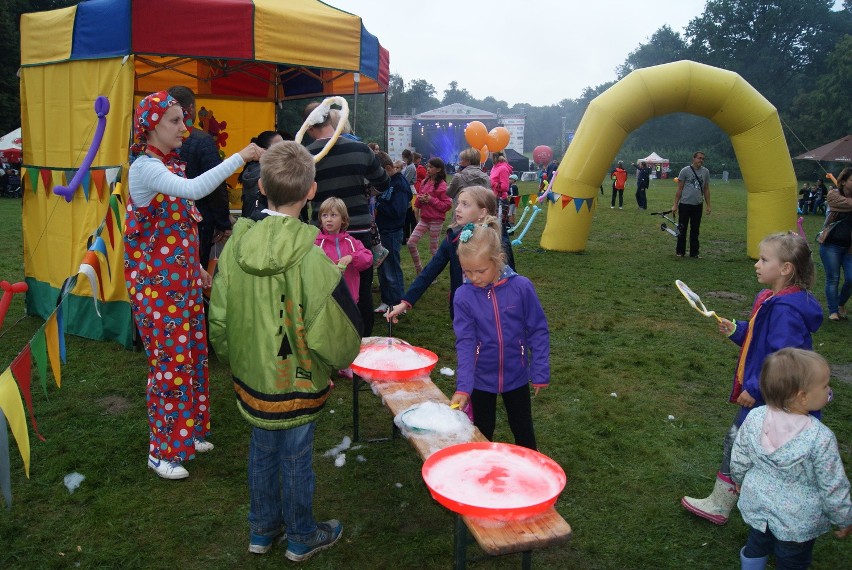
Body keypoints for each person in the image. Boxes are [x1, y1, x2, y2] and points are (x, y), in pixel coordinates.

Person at [208, 141, 362, 561]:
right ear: (311, 191)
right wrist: (337, 362)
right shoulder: (314, 262)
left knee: (262, 451)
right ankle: (300, 534)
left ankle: (261, 530)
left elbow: (218, 317)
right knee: (295, 458)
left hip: (254, 376)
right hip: (297, 380)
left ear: (260, 187)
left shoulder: (233, 250)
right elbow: (337, 333)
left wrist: (235, 357)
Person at [124, 91, 262, 480]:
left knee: (193, 358)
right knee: (169, 365)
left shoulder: (171, 166)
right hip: (156, 290)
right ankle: (162, 450)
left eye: (184, 119)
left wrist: (196, 270)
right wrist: (241, 156)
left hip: (179, 283)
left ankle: (190, 433)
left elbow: (176, 227)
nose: (184, 127)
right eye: (174, 121)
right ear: (151, 126)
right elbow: (193, 192)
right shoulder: (146, 169)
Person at [681, 232, 823, 525]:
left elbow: (786, 358)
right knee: (752, 447)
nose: (757, 264)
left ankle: (726, 505)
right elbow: (760, 338)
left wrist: (756, 388)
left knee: (740, 442)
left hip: (776, 396)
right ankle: (755, 504)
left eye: (764, 259)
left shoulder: (784, 309)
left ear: (786, 268)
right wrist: (737, 329)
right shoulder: (770, 299)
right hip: (772, 393)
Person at [731, 348, 852, 569]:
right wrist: (844, 517)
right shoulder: (820, 437)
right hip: (798, 522)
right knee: (793, 560)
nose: (829, 390)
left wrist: (738, 478)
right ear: (802, 396)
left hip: (759, 506)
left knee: (756, 544)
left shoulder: (755, 417)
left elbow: (739, 455)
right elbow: (833, 485)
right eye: (825, 386)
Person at [450, 217, 549, 450]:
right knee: (482, 430)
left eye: (480, 271)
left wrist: (540, 370)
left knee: (523, 427)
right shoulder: (463, 296)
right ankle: (483, 475)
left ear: (499, 259)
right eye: (467, 272)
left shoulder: (521, 287)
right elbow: (465, 343)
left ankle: (529, 473)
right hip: (481, 379)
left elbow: (538, 330)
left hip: (517, 374)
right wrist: (464, 387)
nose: (473, 278)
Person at [303, 101, 390, 336]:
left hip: (322, 235)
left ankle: (328, 341)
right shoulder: (361, 150)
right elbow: (383, 182)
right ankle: (361, 344)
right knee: (361, 292)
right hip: (358, 231)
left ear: (309, 127)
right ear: (332, 120)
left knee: (323, 291)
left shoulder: (306, 156)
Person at [386, 185, 514, 322]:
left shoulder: (498, 240)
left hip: (494, 309)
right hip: (463, 309)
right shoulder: (453, 239)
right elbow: (430, 270)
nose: (457, 209)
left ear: (482, 212)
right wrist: (405, 302)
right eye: (458, 203)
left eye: (465, 204)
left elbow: (510, 277)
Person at [167, 86, 232, 271]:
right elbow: (215, 182)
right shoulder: (202, 140)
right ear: (191, 109)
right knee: (196, 269)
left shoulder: (159, 142)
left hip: (168, 220)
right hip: (198, 219)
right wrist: (222, 222)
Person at [373, 152, 412, 314]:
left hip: (392, 232)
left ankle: (397, 302)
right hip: (383, 231)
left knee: (392, 269)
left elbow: (398, 210)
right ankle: (386, 300)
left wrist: (378, 205)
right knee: (382, 266)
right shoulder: (389, 182)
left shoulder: (399, 185)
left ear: (388, 168)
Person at [816, 167, 852, 322]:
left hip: (849, 248)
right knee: (833, 278)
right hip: (830, 245)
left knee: (851, 279)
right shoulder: (833, 195)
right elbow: (843, 204)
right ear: (843, 181)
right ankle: (833, 311)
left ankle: (840, 303)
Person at [407, 157, 451, 274]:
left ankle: (432, 274)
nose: (428, 169)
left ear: (438, 169)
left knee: (433, 249)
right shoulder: (424, 182)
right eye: (428, 166)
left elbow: (446, 206)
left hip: (436, 220)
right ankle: (419, 270)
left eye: (431, 167)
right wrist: (418, 203)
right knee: (411, 243)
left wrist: (431, 200)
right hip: (424, 218)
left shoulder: (442, 185)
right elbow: (420, 198)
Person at [673, 151, 711, 258]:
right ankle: (680, 251)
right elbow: (679, 189)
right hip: (685, 204)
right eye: (699, 158)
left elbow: (706, 189)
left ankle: (694, 253)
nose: (701, 160)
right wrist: (675, 205)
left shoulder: (705, 172)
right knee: (682, 228)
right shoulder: (685, 171)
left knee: (695, 230)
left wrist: (708, 205)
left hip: (698, 205)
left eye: (703, 158)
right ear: (693, 159)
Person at [239, 130, 285, 219]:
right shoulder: (270, 173)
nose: (284, 150)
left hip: (249, 222)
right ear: (264, 150)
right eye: (279, 147)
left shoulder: (251, 170)